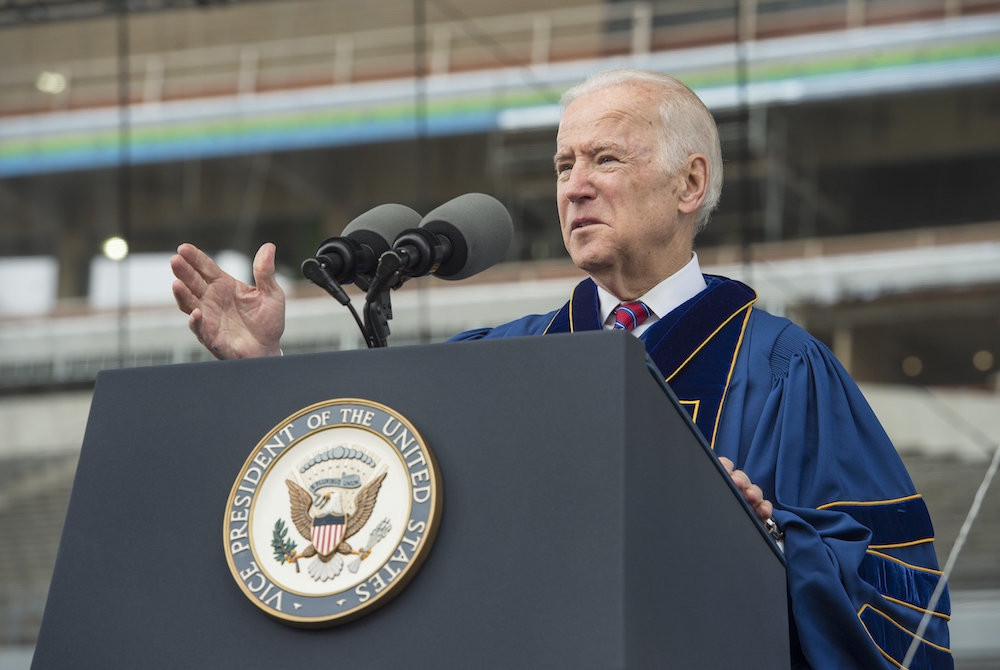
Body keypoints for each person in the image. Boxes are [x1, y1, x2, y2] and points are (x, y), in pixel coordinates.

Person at [171, 69, 952, 669]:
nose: (574, 185)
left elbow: (896, 590)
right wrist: (260, 367)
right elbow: (364, 474)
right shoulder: (499, 364)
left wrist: (768, 539)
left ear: (691, 183)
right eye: (563, 163)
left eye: (605, 158)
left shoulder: (785, 369)